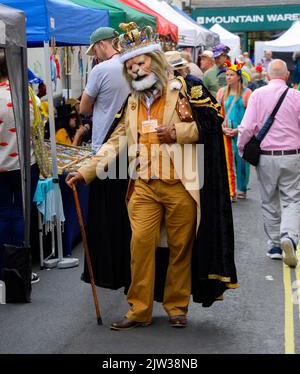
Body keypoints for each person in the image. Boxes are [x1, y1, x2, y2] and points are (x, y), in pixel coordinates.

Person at [66, 22, 238, 330]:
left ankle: (176, 306)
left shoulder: (186, 89)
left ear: (155, 61)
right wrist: (86, 171)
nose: (135, 69)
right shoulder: (132, 102)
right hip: (143, 186)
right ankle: (139, 309)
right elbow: (115, 142)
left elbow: (210, 128)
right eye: (130, 65)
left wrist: (177, 132)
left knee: (180, 248)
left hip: (181, 186)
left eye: (140, 62)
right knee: (140, 245)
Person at [237, 59, 300, 267]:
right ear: (287, 76)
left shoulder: (257, 95)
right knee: (292, 199)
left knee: (269, 199)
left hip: (265, 156)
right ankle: (289, 236)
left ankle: (274, 245)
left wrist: (241, 148)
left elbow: (246, 127)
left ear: (267, 75)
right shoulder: (296, 96)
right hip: (292, 154)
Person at [0, 50, 40, 283]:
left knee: (3, 213)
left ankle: (5, 267)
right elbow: (36, 124)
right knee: (21, 214)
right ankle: (20, 267)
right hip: (24, 164)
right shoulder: (23, 93)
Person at [79, 26, 130, 154]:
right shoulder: (132, 64)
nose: (96, 56)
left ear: (102, 44)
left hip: (105, 141)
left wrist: (101, 105)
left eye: (95, 51)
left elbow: (83, 108)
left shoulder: (100, 69)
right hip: (130, 140)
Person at [216, 61, 252, 201]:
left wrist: (238, 130)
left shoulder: (246, 92)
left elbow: (251, 114)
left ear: (238, 76)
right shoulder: (221, 92)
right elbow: (217, 112)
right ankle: (230, 189)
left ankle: (242, 187)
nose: (228, 77)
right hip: (225, 130)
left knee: (241, 160)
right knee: (227, 160)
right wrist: (222, 127)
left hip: (241, 131)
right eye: (227, 75)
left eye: (231, 75)